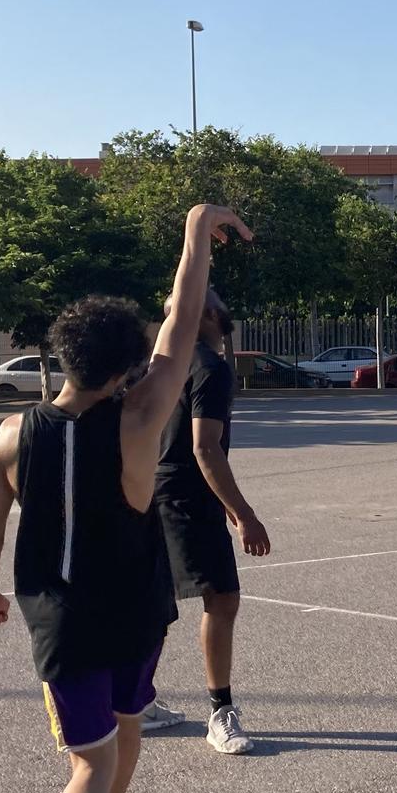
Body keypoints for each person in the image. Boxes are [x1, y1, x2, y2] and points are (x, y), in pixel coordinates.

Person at [0, 203, 252, 793]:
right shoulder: (139, 419)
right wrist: (196, 230)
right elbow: (184, 317)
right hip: (135, 612)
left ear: (62, 359)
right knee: (124, 732)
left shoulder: (8, 438)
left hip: (61, 621)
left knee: (88, 757)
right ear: (127, 371)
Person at [140, 287, 269, 755]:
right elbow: (204, 448)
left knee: (155, 601)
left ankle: (137, 701)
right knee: (222, 597)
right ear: (211, 314)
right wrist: (245, 515)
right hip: (186, 495)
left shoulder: (157, 367)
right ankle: (221, 712)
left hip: (145, 488)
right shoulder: (210, 368)